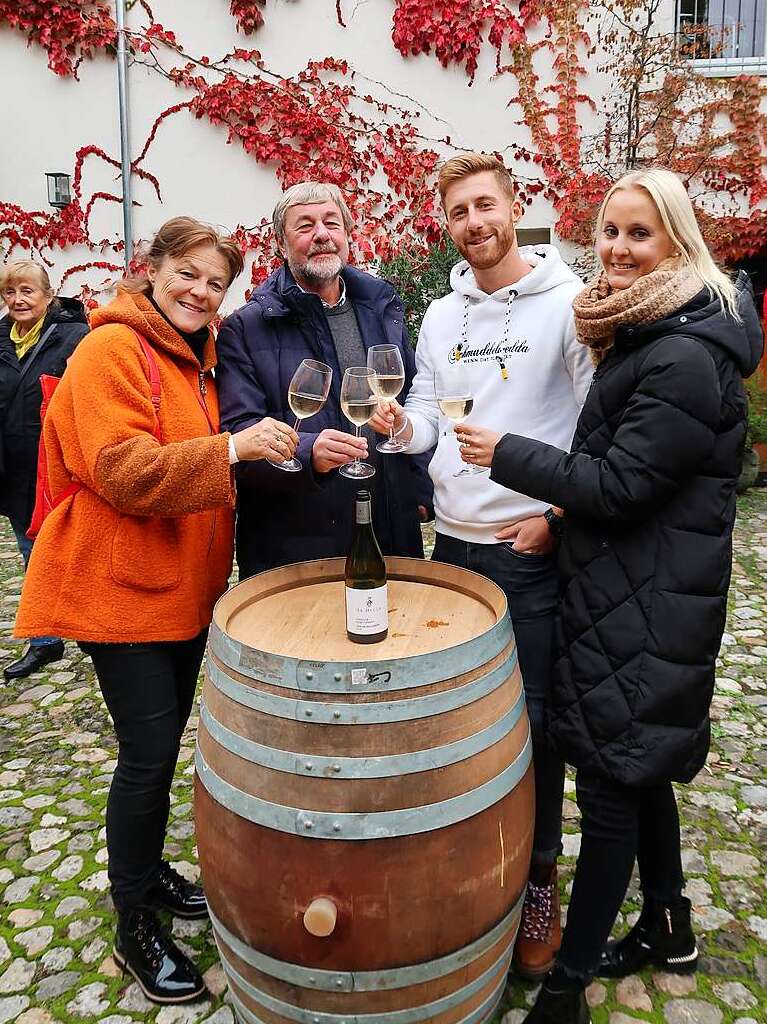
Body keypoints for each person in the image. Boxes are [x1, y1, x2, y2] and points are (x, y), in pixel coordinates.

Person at [457, 168, 763, 1024]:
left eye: (640, 234)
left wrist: (509, 456)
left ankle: (567, 986)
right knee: (639, 771)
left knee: (607, 792)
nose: (619, 251)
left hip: (648, 602)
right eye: (610, 233)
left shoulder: (681, 355)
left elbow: (623, 483)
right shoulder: (650, 331)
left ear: (677, 241)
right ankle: (669, 925)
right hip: (632, 589)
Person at [14, 217, 298, 1005]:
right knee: (145, 757)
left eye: (216, 284)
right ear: (152, 268)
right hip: (122, 592)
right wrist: (235, 452)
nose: (203, 293)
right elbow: (124, 470)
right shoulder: (111, 349)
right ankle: (133, 918)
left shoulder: (191, 358)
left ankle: (150, 873)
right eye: (190, 274)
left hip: (179, 591)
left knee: (166, 741)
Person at [370, 153, 594, 980]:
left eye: (485, 206)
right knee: (460, 723)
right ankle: (472, 860)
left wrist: (556, 517)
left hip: (526, 549)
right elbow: (430, 416)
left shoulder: (568, 304)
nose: (475, 223)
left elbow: (595, 424)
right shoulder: (438, 315)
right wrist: (400, 427)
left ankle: (538, 879)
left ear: (513, 207)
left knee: (531, 727)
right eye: (459, 212)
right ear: (448, 224)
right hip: (453, 549)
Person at [216, 181, 432, 577]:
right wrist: (306, 452)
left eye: (332, 223)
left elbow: (417, 398)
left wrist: (419, 486)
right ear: (281, 244)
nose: (321, 235)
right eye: (305, 226)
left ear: (348, 236)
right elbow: (238, 433)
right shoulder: (244, 330)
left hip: (389, 524)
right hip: (300, 540)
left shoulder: (381, 308)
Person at [0, 261, 89, 679]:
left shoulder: (74, 337)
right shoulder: (1, 338)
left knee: (77, 551)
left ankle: (92, 629)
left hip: (58, 468)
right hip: (13, 471)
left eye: (26, 291)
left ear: (48, 296)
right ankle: (45, 641)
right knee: (31, 553)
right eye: (10, 292)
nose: (17, 300)